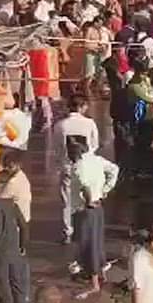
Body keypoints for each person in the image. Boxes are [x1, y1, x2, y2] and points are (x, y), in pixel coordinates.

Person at [63, 136, 119, 299]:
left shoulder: (78, 167)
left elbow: (85, 186)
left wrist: (88, 200)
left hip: (85, 210)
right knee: (97, 241)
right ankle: (101, 274)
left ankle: (94, 284)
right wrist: (105, 190)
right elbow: (114, 169)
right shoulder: (97, 160)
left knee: (88, 245)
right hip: (98, 206)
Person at [54, 97, 100, 244]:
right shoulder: (89, 123)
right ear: (82, 106)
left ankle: (68, 231)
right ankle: (86, 229)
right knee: (88, 197)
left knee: (67, 201)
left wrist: (61, 162)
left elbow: (57, 147)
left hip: (67, 166)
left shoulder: (60, 125)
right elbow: (95, 145)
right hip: (85, 166)